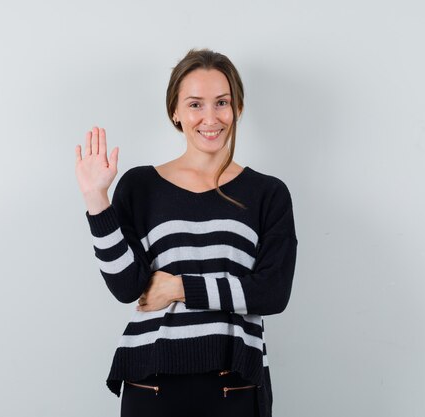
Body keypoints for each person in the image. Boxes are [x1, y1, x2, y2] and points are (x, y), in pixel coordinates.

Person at [74, 48, 298, 417]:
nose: (210, 117)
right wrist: (97, 199)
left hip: (235, 383)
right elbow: (129, 288)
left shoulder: (268, 194)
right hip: (152, 383)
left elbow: (272, 292)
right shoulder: (141, 185)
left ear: (237, 108)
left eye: (221, 102)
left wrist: (179, 287)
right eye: (195, 104)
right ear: (175, 112)